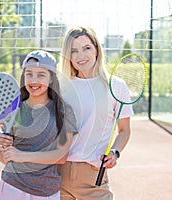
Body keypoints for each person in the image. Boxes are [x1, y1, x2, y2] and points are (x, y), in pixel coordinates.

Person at [0, 50, 78, 200]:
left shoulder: (64, 111)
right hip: (12, 186)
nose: (34, 80)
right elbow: (7, 158)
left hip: (46, 190)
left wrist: (22, 156)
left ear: (51, 79)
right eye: (29, 74)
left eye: (41, 75)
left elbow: (61, 156)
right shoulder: (13, 109)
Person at [58, 26, 134, 199]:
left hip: (93, 176)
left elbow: (125, 130)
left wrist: (115, 152)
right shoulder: (61, 86)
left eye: (87, 48)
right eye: (74, 51)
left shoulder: (116, 86)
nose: (81, 55)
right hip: (57, 173)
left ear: (97, 49)